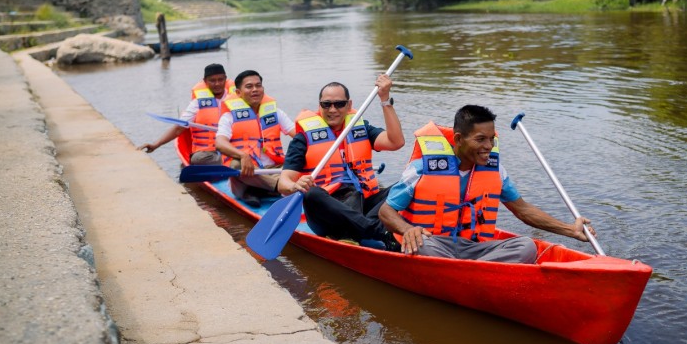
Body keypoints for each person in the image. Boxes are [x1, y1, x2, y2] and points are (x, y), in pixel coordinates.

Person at [378, 104, 595, 263]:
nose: (489, 146)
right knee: (422, 244)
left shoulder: (495, 172)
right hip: (435, 245)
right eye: (480, 139)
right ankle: (477, 273)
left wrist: (570, 230)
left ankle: (472, 272)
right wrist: (407, 229)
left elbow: (523, 210)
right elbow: (386, 211)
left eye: (491, 139)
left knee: (526, 246)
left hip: (474, 249)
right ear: (458, 139)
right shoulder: (421, 169)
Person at [277, 76, 405, 250]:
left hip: (362, 204)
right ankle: (379, 231)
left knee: (407, 184)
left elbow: (396, 142)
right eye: (326, 104)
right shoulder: (303, 138)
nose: (332, 109)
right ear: (319, 105)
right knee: (311, 194)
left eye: (339, 104)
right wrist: (295, 185)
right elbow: (283, 182)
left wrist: (385, 100)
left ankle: (360, 230)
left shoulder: (361, 129)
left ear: (349, 105)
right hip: (328, 213)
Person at [214, 70, 296, 205]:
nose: (255, 90)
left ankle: (265, 190)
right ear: (238, 93)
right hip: (248, 173)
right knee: (235, 165)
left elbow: (298, 136)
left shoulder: (276, 113)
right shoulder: (229, 117)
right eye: (249, 86)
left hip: (275, 168)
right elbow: (220, 143)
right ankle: (281, 187)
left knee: (301, 159)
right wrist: (242, 155)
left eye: (258, 86)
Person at [138, 63, 235, 164]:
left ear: (225, 79)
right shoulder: (197, 103)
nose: (217, 84)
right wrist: (155, 145)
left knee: (241, 156)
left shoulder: (237, 101)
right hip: (207, 153)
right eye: (212, 80)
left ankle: (232, 164)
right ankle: (230, 164)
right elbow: (178, 129)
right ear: (205, 81)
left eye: (220, 79)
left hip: (232, 149)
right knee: (198, 159)